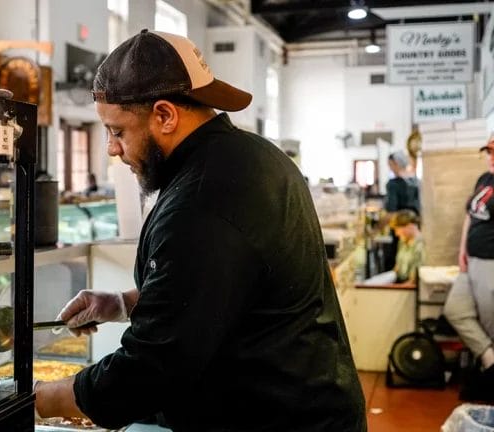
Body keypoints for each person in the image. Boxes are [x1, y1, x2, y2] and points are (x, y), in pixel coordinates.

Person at [34, 29, 366, 431]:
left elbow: (152, 368)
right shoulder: (250, 156)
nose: (111, 149)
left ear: (164, 115)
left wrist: (39, 400)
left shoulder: (204, 199)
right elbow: (219, 291)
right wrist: (121, 303)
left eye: (117, 131)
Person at [443, 134, 494, 402]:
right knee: (455, 309)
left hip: (490, 263)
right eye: (488, 151)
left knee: (490, 324)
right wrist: (462, 249)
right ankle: (490, 364)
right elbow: (469, 216)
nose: (491, 157)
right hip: (472, 260)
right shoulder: (484, 180)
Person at [360, 210, 424, 287]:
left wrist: (393, 289)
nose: (397, 233)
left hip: (408, 289)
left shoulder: (420, 247)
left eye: (398, 229)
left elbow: (414, 282)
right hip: (398, 281)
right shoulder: (403, 241)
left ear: (410, 226)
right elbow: (397, 268)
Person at [382, 150, 420, 271]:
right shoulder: (416, 182)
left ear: (396, 164)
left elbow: (391, 212)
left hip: (400, 227)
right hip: (414, 228)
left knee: (395, 262)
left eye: (390, 164)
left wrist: (377, 227)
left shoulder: (393, 184)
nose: (389, 167)